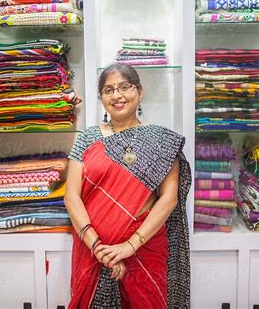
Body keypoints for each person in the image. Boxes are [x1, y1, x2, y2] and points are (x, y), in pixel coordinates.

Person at [64, 63, 191, 308]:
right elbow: (71, 197)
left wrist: (129, 246)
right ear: (101, 98)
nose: (117, 95)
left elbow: (169, 198)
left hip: (145, 249)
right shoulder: (87, 138)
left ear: (140, 92)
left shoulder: (161, 141)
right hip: (92, 250)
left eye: (125, 87)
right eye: (108, 90)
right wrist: (99, 247)